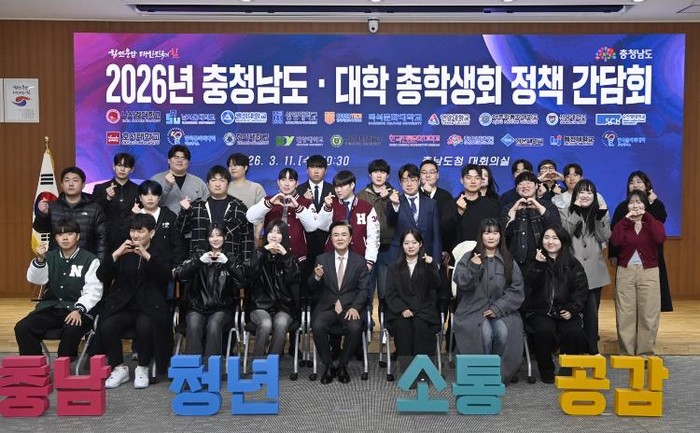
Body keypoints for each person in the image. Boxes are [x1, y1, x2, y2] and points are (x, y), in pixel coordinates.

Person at [95, 214, 174, 389]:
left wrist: (147, 256)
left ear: (151, 233)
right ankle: (119, 368)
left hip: (150, 305)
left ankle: (143, 367)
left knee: (145, 325)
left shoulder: (161, 251)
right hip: (124, 305)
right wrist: (116, 255)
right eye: (132, 231)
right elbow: (101, 275)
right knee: (107, 325)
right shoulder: (123, 250)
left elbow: (165, 277)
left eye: (140, 231)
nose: (135, 235)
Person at [15, 218, 102, 358]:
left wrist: (78, 309)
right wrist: (40, 259)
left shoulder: (90, 260)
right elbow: (36, 279)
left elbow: (94, 290)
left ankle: (64, 364)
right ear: (55, 238)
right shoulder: (49, 256)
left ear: (78, 236)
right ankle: (34, 364)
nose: (65, 238)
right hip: (50, 309)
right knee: (22, 327)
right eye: (60, 234)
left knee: (72, 327)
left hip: (77, 310)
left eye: (69, 234)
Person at [452, 218, 524, 383]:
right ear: (481, 236)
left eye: (495, 233)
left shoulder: (508, 260)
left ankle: (497, 375)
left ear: (500, 236)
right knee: (485, 334)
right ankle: (479, 375)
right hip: (472, 310)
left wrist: (498, 308)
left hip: (502, 311)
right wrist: (474, 267)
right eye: (487, 233)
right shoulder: (468, 257)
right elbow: (461, 283)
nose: (491, 237)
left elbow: (517, 289)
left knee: (503, 332)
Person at [523, 226, 588, 384]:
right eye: (546, 237)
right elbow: (529, 286)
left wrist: (572, 309)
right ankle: (546, 370)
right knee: (544, 331)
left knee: (573, 331)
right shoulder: (534, 261)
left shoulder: (573, 264)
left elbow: (580, 290)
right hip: (540, 311)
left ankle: (568, 369)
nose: (550, 242)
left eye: (555, 238)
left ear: (562, 241)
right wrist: (539, 266)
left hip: (565, 310)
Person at [309, 221, 370, 385]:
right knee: (317, 325)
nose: (340, 238)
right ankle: (329, 365)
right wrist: (317, 277)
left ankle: (343, 364)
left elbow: (364, 289)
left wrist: (356, 307)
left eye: (344, 235)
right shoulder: (321, 259)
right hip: (327, 307)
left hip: (349, 307)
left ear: (350, 238)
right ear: (331, 238)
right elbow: (312, 287)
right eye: (336, 235)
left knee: (355, 327)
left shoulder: (359, 261)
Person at [610, 190, 666, 356]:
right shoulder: (623, 223)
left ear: (645, 205)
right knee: (625, 314)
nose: (635, 205)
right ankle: (626, 354)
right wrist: (626, 221)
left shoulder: (653, 223)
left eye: (639, 202)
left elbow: (660, 238)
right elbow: (615, 241)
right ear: (627, 206)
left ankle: (645, 353)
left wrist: (646, 216)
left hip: (649, 272)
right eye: (632, 202)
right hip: (625, 271)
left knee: (648, 314)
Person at [559, 179, 611, 355]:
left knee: (591, 314)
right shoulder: (566, 211)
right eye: (581, 192)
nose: (585, 195)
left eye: (589, 192)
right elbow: (564, 235)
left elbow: (604, 237)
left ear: (594, 195)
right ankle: (572, 350)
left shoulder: (599, 213)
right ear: (575, 195)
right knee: (571, 312)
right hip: (572, 272)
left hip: (594, 272)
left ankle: (592, 348)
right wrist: (575, 211)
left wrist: (599, 217)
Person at [174, 224, 241, 359]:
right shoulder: (198, 256)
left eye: (219, 235)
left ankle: (211, 367)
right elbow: (180, 275)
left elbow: (242, 281)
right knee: (194, 324)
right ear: (207, 239)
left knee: (214, 325)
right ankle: (193, 367)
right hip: (196, 306)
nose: (215, 239)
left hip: (222, 308)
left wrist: (228, 264)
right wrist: (198, 262)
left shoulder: (231, 257)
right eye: (211, 236)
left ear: (225, 237)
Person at [610, 171, 672, 312]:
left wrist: (653, 203)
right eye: (631, 182)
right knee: (627, 303)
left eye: (639, 182)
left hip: (651, 258)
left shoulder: (655, 204)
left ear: (647, 185)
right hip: (626, 259)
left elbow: (660, 223)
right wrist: (613, 253)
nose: (635, 185)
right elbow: (614, 230)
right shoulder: (623, 206)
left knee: (650, 302)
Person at [384, 229, 441, 373]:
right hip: (400, 311)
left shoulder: (428, 264)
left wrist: (431, 267)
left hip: (424, 310)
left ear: (420, 244)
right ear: (402, 245)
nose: (410, 246)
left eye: (414, 242)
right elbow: (390, 293)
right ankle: (407, 372)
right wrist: (402, 309)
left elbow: (435, 286)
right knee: (403, 327)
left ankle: (423, 371)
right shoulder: (393, 267)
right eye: (406, 243)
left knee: (421, 326)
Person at [241, 220, 300, 358]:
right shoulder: (258, 254)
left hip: (283, 307)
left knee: (281, 324)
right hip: (259, 306)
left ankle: (272, 362)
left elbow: (292, 280)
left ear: (284, 236)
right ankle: (257, 362)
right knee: (266, 323)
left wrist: (285, 256)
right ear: (266, 234)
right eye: (271, 232)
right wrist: (263, 251)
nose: (274, 235)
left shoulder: (289, 258)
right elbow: (249, 273)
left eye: (278, 233)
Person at [177, 165, 254, 263]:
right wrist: (185, 211)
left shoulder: (239, 207)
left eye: (222, 180)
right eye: (213, 180)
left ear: (228, 184)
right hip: (200, 261)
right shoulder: (196, 206)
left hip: (231, 262)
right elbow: (181, 230)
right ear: (207, 184)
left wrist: (246, 263)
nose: (217, 184)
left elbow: (247, 238)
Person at [33, 166, 108, 262]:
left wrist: (99, 263)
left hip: (85, 261)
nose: (71, 184)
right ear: (62, 185)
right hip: (57, 261)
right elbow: (40, 229)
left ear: (83, 185)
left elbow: (102, 239)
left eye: (75, 180)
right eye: (67, 180)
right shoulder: (52, 206)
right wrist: (43, 215)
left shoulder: (94, 208)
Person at [356, 159, 396, 321]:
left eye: (382, 172)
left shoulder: (395, 195)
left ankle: (386, 325)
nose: (379, 175)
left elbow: (396, 219)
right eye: (375, 172)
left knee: (386, 290)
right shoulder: (361, 195)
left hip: (389, 249)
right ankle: (367, 323)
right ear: (370, 175)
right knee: (366, 287)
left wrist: (387, 200)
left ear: (388, 175)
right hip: (367, 250)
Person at [318, 170, 380, 269]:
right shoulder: (330, 204)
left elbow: (373, 237)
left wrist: (370, 260)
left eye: (342, 186)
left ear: (352, 185)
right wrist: (327, 208)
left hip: (359, 257)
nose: (338, 190)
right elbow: (322, 226)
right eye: (336, 187)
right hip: (333, 256)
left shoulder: (366, 207)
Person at [502, 171, 561, 269]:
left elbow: (557, 228)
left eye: (529, 183)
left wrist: (539, 207)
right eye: (520, 184)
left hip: (544, 261)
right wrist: (513, 211)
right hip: (516, 264)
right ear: (516, 189)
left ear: (537, 186)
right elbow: (503, 234)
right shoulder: (508, 208)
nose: (525, 186)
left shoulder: (548, 205)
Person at [387, 164, 442, 263]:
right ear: (400, 182)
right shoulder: (394, 201)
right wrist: (395, 205)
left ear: (419, 181)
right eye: (405, 180)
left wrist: (436, 261)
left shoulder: (431, 204)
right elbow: (390, 222)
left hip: (425, 256)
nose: (409, 184)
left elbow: (436, 235)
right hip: (400, 257)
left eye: (413, 180)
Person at [131, 180, 185, 266]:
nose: (150, 198)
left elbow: (178, 245)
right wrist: (134, 216)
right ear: (140, 198)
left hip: (165, 266)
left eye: (154, 194)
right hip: (138, 264)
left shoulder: (169, 216)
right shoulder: (133, 217)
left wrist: (176, 267)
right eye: (146, 194)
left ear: (159, 198)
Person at [92, 152, 140, 251]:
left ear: (132, 169)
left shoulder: (138, 190)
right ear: (114, 167)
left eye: (126, 166)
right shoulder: (100, 188)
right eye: (119, 165)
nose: (122, 169)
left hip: (130, 240)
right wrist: (107, 198)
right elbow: (94, 212)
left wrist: (134, 213)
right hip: (105, 240)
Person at [447, 164, 500, 245]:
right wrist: (459, 212)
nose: (473, 181)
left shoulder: (491, 206)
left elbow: (496, 233)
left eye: (477, 178)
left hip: (483, 251)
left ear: (481, 181)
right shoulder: (451, 204)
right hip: (458, 252)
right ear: (461, 180)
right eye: (468, 178)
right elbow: (445, 232)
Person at [151, 145, 208, 213]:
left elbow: (207, 206)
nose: (179, 160)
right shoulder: (156, 180)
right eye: (176, 157)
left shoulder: (198, 183)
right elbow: (150, 204)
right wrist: (167, 187)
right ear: (168, 160)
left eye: (183, 158)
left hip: (191, 219)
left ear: (188, 162)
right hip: (164, 219)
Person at [226, 152, 266, 245]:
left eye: (236, 165)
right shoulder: (224, 188)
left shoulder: (256, 188)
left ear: (245, 167)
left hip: (249, 236)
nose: (232, 168)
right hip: (226, 237)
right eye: (230, 165)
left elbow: (261, 216)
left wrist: (256, 236)